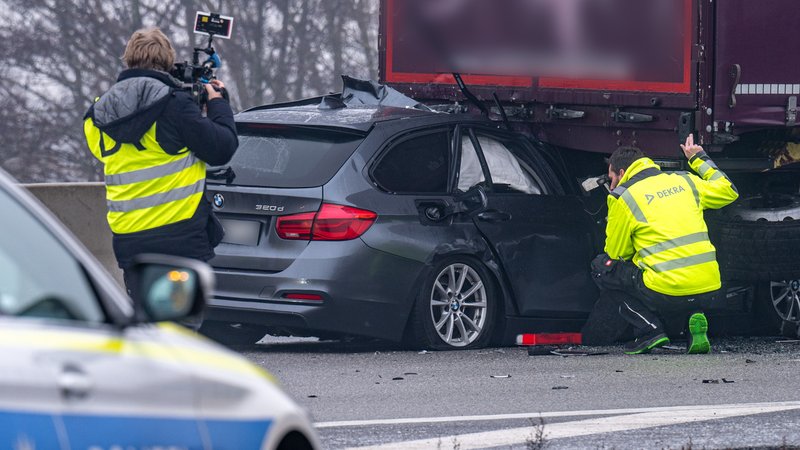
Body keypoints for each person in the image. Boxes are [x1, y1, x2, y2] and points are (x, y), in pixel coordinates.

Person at [83, 28, 238, 293]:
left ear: (128, 59)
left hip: (130, 240)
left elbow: (119, 150)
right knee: (180, 326)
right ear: (167, 61)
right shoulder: (175, 105)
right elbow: (221, 148)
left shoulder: (97, 114)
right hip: (179, 238)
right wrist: (217, 104)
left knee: (145, 325)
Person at [590, 134, 738, 354]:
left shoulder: (623, 197)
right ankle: (692, 321)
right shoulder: (685, 180)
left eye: (611, 178)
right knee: (674, 275)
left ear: (622, 173)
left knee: (604, 268)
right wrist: (698, 158)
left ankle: (650, 330)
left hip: (665, 289)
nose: (611, 184)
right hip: (710, 287)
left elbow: (617, 252)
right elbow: (729, 190)